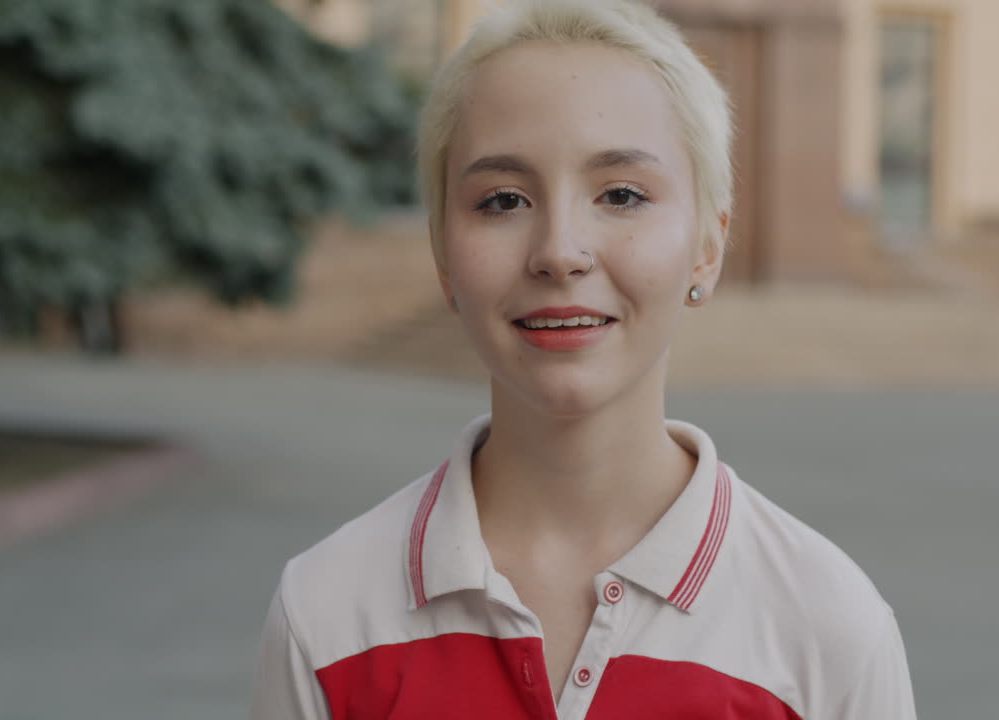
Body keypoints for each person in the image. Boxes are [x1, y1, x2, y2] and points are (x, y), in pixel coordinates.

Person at [250, 1, 917, 717]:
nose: (560, 251)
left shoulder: (826, 628)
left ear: (708, 247)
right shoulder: (327, 615)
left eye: (622, 194)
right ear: (444, 256)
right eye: (503, 200)